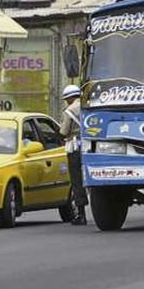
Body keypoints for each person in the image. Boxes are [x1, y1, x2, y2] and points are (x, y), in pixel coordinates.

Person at [59, 84, 88, 225]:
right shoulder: (87, 106)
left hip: (75, 146)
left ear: (69, 98)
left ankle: (81, 214)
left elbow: (64, 131)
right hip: (89, 145)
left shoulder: (69, 111)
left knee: (77, 180)